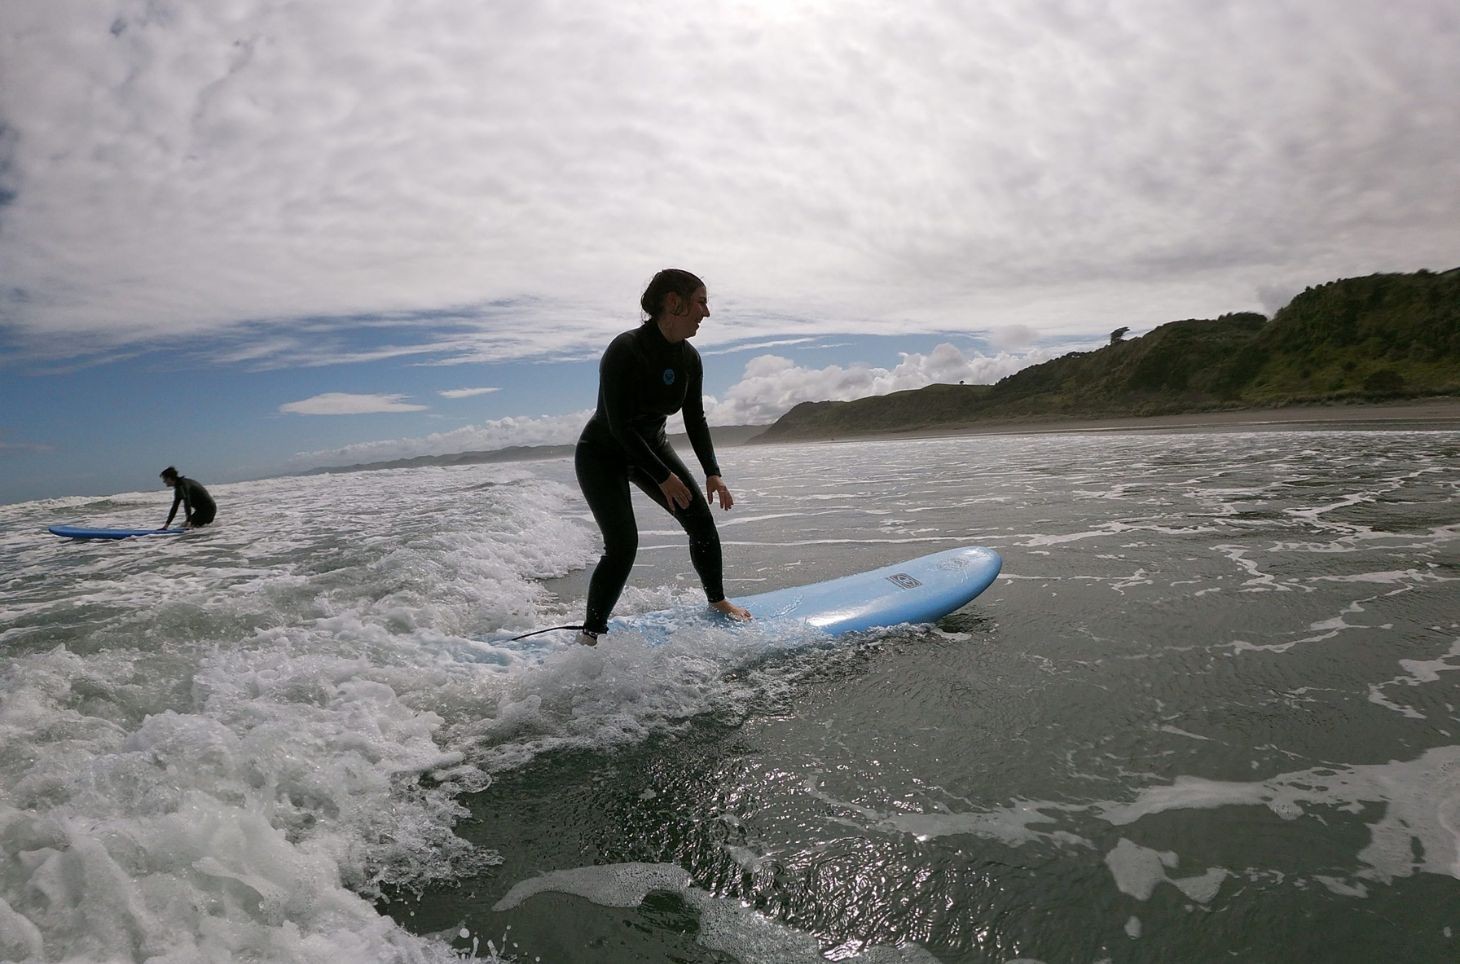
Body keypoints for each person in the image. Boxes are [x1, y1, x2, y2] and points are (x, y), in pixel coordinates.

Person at [574, 269, 751, 645]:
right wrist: (662, 476)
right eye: (701, 301)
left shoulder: (690, 359)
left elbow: (695, 418)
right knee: (623, 545)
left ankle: (717, 601)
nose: (706, 312)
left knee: (701, 523)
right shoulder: (625, 350)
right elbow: (620, 426)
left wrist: (712, 472)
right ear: (674, 302)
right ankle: (590, 634)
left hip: (651, 447)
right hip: (602, 454)